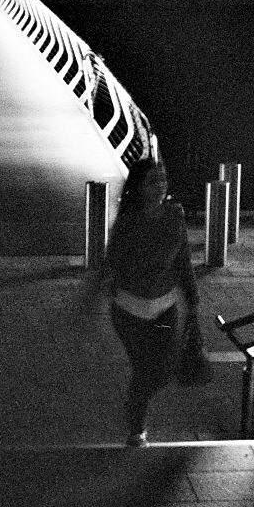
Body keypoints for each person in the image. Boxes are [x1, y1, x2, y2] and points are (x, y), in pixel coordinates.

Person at [98, 157, 199, 447]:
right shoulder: (129, 222)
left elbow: (183, 259)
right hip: (130, 310)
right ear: (140, 187)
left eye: (163, 179)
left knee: (163, 370)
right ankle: (137, 429)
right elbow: (113, 262)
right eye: (153, 181)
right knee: (145, 370)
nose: (160, 186)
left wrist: (192, 298)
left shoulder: (174, 216)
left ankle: (134, 406)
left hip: (165, 307)